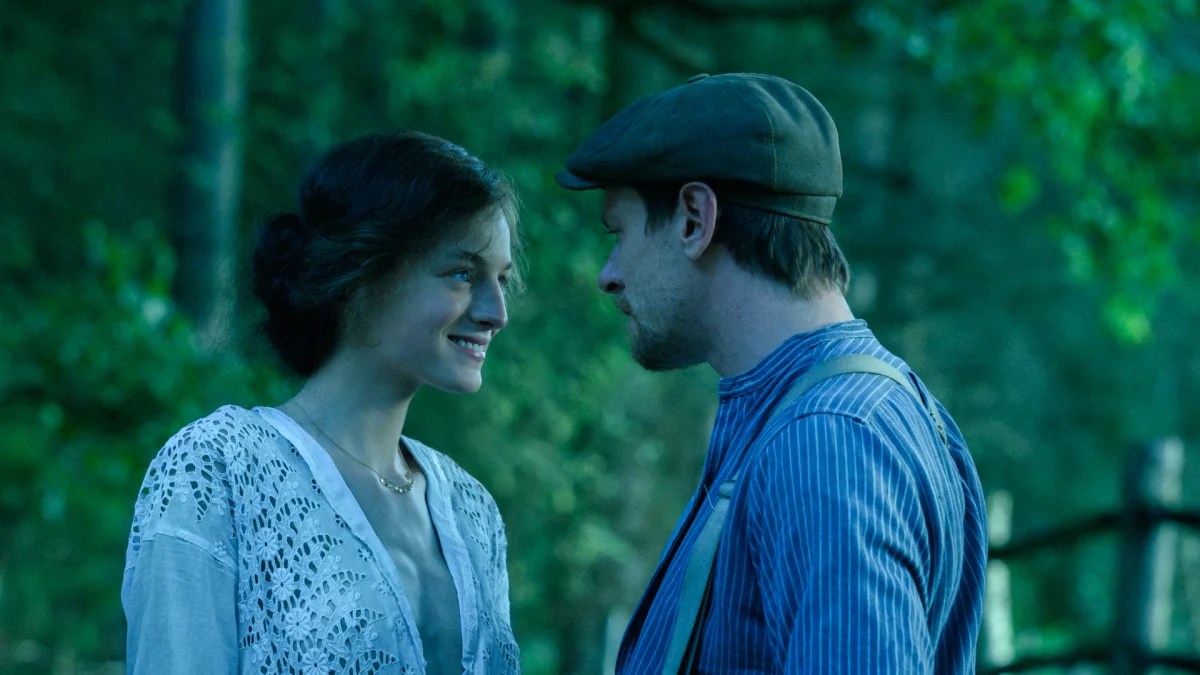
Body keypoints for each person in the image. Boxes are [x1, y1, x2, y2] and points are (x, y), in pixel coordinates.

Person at [555, 73, 987, 673]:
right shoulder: (838, 416)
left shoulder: (828, 439)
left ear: (694, 219)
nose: (609, 274)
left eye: (619, 233)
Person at [122, 130, 522, 674]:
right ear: (365, 273)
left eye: (501, 279)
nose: (496, 312)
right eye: (463, 274)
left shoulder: (472, 511)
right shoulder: (220, 468)